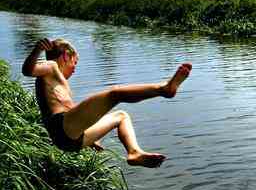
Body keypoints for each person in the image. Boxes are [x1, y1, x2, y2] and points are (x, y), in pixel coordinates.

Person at [22, 38, 192, 168]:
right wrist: (37, 50)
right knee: (115, 94)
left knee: (121, 116)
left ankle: (134, 153)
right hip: (62, 127)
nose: (75, 69)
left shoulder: (57, 81)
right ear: (66, 55)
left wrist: (90, 137)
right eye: (75, 63)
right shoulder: (51, 66)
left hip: (70, 139)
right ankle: (164, 89)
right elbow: (28, 70)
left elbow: (71, 111)